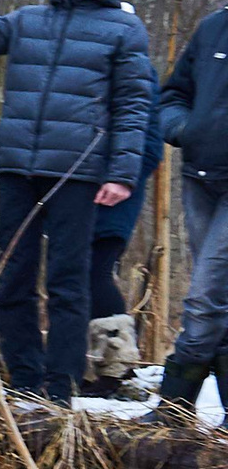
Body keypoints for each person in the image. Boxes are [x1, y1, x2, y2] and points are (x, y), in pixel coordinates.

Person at [0, 0, 155, 404]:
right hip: (18, 169)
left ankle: (60, 388)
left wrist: (121, 174)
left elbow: (133, 107)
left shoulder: (124, 30)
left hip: (78, 172)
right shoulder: (28, 20)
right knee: (12, 279)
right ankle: (24, 381)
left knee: (67, 283)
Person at [152, 0, 228, 418]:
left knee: (204, 296)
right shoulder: (213, 26)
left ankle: (171, 408)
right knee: (219, 299)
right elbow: (173, 94)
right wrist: (185, 129)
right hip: (200, 177)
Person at [79, 146, 158, 398]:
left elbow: (150, 146)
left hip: (115, 191)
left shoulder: (140, 107)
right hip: (83, 188)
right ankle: (94, 366)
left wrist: (123, 178)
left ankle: (116, 366)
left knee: (95, 272)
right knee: (79, 277)